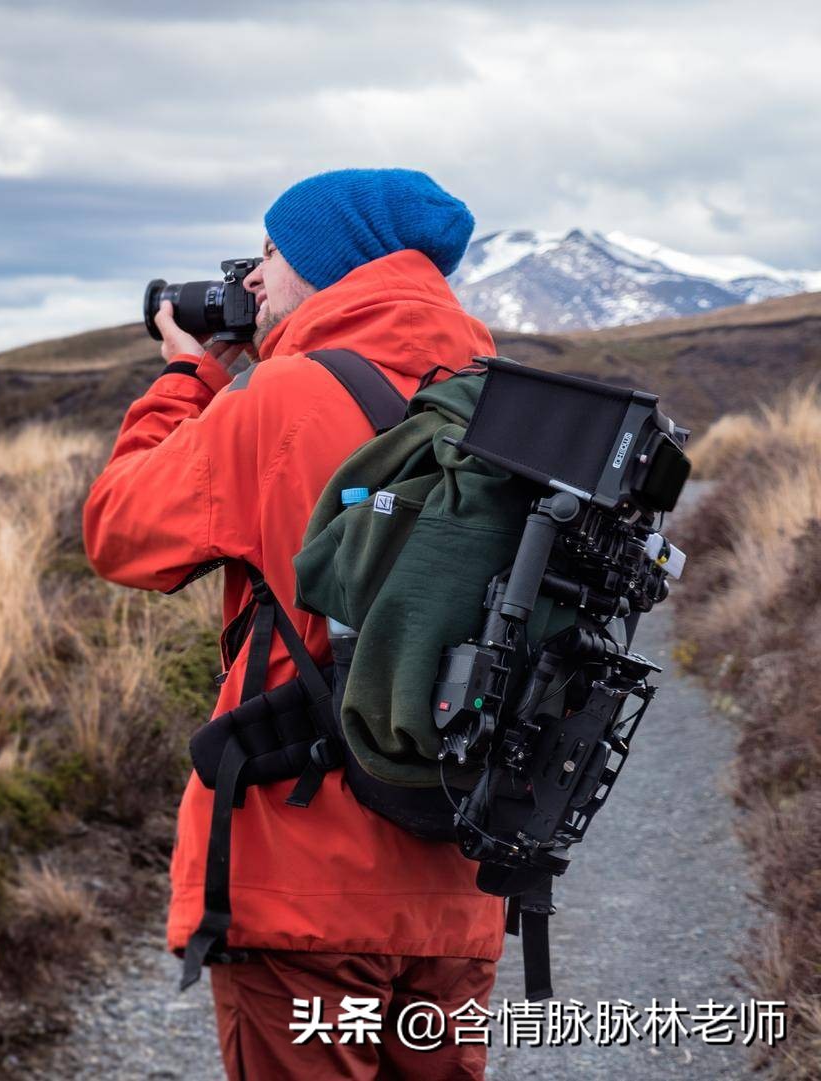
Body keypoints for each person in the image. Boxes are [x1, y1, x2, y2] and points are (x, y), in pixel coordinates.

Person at [83, 168, 506, 1080]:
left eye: (270, 253)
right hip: (458, 878)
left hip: (303, 871)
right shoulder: (502, 403)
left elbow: (118, 532)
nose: (252, 279)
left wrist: (187, 377)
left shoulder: (279, 399)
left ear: (325, 261)